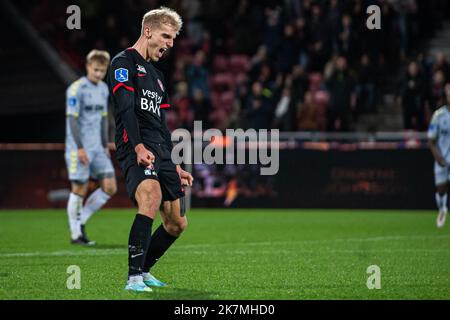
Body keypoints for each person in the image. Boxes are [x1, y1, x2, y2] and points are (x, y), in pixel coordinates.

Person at [107, 7, 193, 293]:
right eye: (166, 36)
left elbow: (160, 122)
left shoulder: (157, 75)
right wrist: (138, 146)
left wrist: (174, 163)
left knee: (177, 223)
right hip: (136, 146)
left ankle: (144, 271)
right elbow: (126, 108)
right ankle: (133, 279)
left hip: (161, 150)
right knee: (151, 196)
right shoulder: (123, 62)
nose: (169, 44)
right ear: (148, 31)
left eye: (173, 39)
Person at [65, 50, 117, 246]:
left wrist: (104, 145)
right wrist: (79, 148)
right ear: (88, 67)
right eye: (95, 70)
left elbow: (104, 118)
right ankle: (76, 233)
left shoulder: (103, 88)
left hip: (98, 147)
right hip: (78, 148)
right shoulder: (75, 89)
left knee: (110, 187)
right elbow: (72, 119)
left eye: (102, 71)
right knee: (79, 188)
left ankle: (81, 221)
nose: (98, 74)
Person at [428, 82, 450, 228]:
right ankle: (442, 208)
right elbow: (431, 139)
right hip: (442, 158)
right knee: (441, 189)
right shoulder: (438, 115)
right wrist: (437, 157)